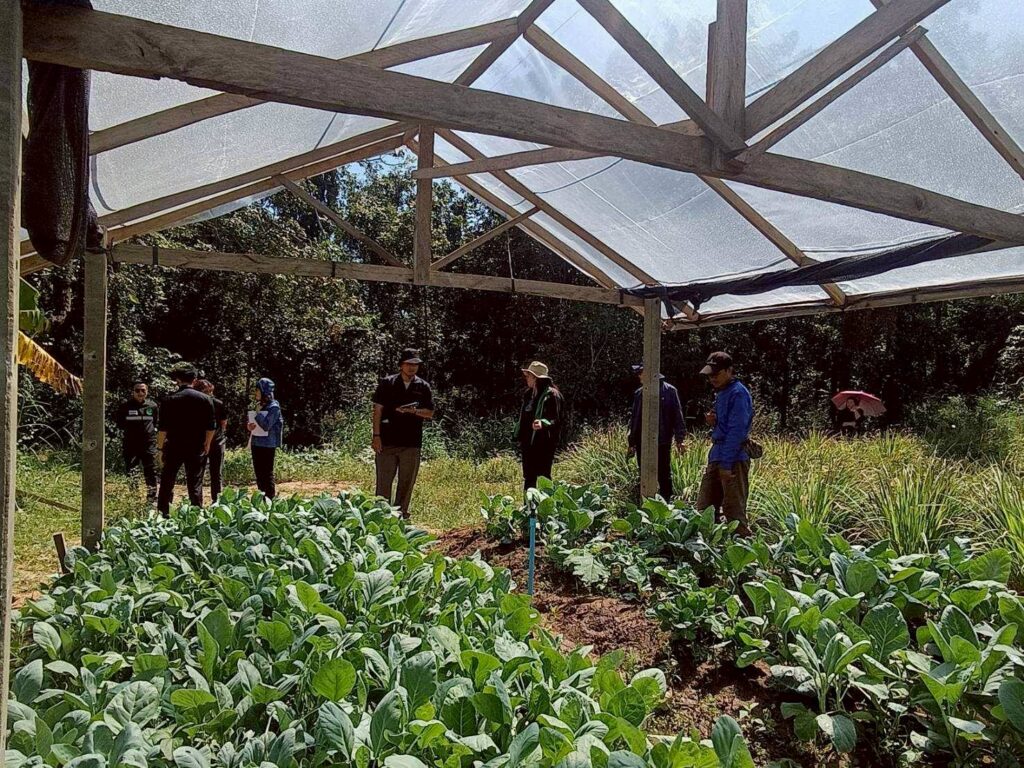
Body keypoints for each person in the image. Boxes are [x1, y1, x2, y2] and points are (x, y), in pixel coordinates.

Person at [695, 352, 753, 537]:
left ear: (729, 371)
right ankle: (711, 547)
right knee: (705, 508)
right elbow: (726, 426)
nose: (712, 378)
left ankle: (744, 548)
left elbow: (737, 431)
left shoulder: (738, 393)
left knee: (733, 511)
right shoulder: (722, 393)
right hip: (718, 455)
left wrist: (726, 465)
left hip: (733, 458)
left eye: (716, 374)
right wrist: (714, 422)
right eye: (710, 375)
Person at [372, 349, 435, 517]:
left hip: (411, 442)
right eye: (408, 364)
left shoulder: (423, 386)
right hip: (387, 441)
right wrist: (376, 436)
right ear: (401, 365)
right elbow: (377, 410)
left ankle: (401, 515)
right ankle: (380, 515)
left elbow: (429, 413)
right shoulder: (387, 383)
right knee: (383, 483)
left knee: (406, 482)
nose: (412, 368)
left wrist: (413, 411)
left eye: (415, 365)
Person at [157, 366, 216, 516]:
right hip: (196, 445)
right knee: (195, 481)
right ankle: (196, 512)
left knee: (168, 479)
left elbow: (162, 429)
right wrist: (207, 443)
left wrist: (160, 448)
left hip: (174, 445)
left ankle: (164, 512)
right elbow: (211, 427)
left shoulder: (168, 400)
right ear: (194, 380)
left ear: (178, 380)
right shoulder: (206, 399)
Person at [627, 363, 686, 499]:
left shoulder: (669, 391)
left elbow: (677, 416)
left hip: (662, 441)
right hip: (642, 442)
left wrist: (680, 439)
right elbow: (635, 420)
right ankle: (646, 502)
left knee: (664, 474)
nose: (639, 376)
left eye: (640, 373)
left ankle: (666, 503)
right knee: (644, 473)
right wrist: (632, 443)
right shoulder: (639, 393)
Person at [517, 361, 564, 492]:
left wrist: (543, 423)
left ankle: (547, 503)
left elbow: (557, 419)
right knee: (529, 476)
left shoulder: (553, 395)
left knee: (544, 476)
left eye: (528, 376)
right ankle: (528, 504)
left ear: (536, 378)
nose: (526, 378)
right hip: (528, 441)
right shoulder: (528, 394)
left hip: (545, 442)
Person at [115, 380, 159, 504]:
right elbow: (120, 424)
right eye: (137, 390)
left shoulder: (153, 406)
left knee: (150, 470)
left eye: (143, 390)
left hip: (148, 444)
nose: (140, 393)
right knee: (131, 470)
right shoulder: (125, 407)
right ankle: (134, 495)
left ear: (147, 391)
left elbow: (155, 422)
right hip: (131, 444)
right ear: (133, 392)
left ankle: (151, 496)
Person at [247, 377, 283, 499]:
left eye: (257, 390)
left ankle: (270, 499)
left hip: (267, 445)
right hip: (256, 442)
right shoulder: (259, 405)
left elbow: (267, 425)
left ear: (264, 391)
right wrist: (250, 426)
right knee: (259, 474)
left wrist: (257, 414)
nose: (256, 393)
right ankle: (261, 498)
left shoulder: (274, 407)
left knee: (266, 473)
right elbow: (256, 423)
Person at [196, 379, 228, 500]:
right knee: (204, 474)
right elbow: (223, 423)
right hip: (207, 442)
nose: (210, 394)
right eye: (207, 391)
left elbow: (224, 422)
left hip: (214, 442)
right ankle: (203, 502)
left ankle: (214, 501)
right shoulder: (199, 405)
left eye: (210, 391)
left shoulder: (217, 403)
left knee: (212, 473)